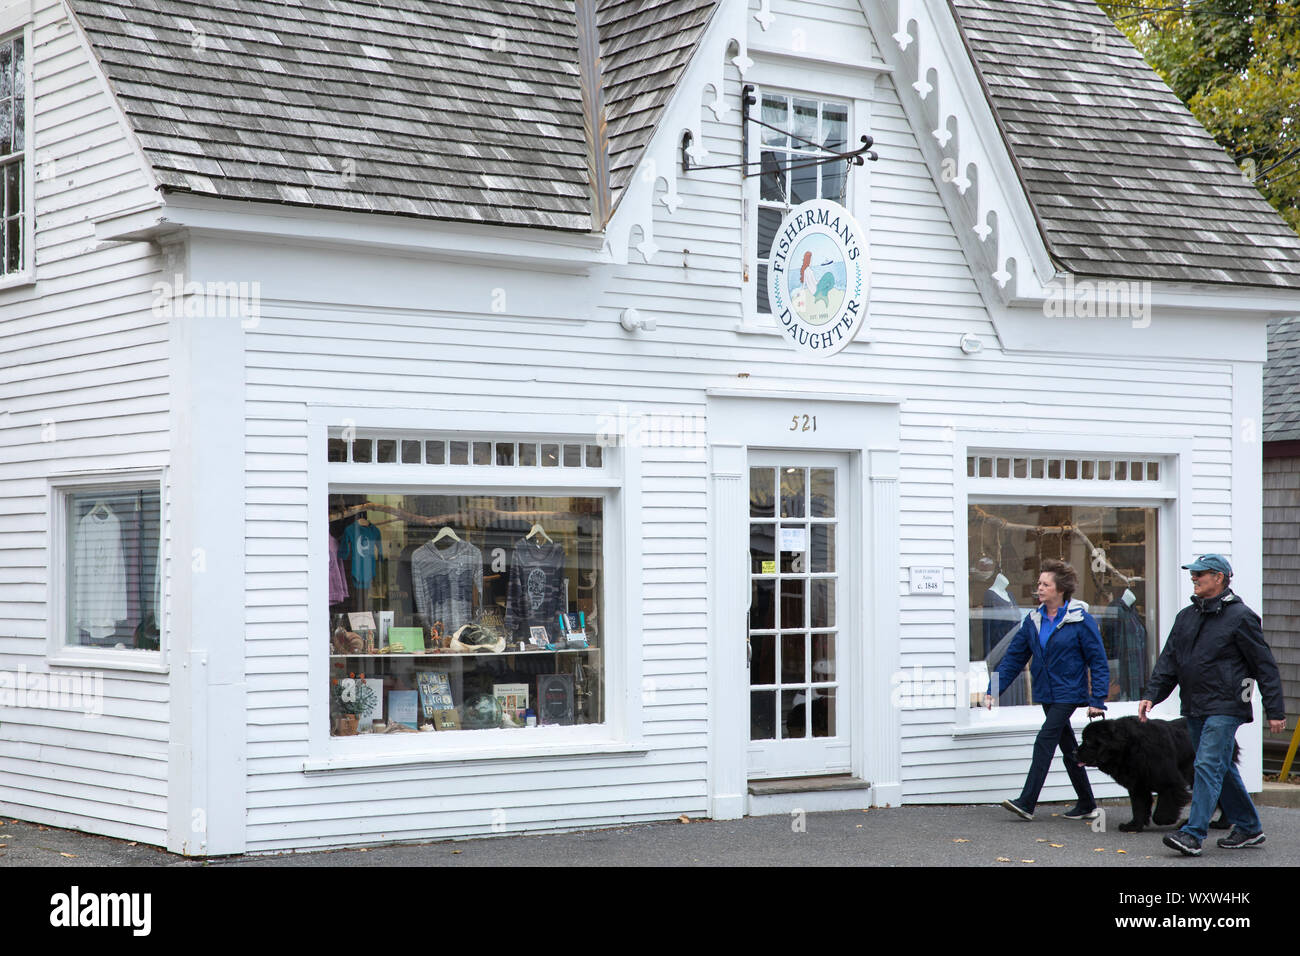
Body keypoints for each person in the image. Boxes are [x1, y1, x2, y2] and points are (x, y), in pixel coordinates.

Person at [1139, 554, 1287, 856]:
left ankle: (1193, 834)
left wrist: (1276, 710)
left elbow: (1264, 666)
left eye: (1200, 574)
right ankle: (1247, 826)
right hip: (1194, 705)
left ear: (1219, 578)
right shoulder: (1186, 617)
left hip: (1227, 704)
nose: (1194, 578)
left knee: (1205, 764)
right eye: (1193, 575)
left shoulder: (1241, 616)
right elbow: (1169, 661)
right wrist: (1152, 695)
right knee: (1220, 766)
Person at [985, 560, 1108, 821]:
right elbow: (1014, 658)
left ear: (1060, 589)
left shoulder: (1080, 620)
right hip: (1046, 693)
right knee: (1069, 749)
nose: (1039, 588)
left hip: (1069, 692)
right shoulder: (1033, 620)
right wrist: (993, 689)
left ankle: (1027, 802)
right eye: (1039, 583)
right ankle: (1087, 803)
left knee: (1044, 741)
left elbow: (1097, 659)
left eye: (1045, 584)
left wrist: (1098, 698)